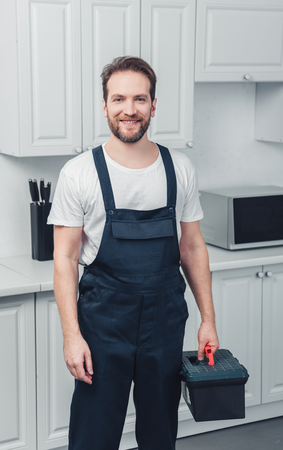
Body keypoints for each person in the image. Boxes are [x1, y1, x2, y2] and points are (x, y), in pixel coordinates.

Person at [48, 56, 219, 450]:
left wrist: (208, 320)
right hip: (104, 318)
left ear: (153, 106)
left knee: (160, 430)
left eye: (140, 99)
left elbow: (192, 246)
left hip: (164, 316)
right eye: (119, 99)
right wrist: (72, 336)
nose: (129, 109)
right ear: (104, 105)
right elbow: (65, 259)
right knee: (94, 431)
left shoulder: (180, 168)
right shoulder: (79, 173)